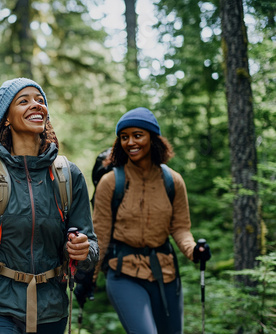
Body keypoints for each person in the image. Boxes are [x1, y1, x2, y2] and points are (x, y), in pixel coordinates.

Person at [0, 78, 98, 334]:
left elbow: (91, 248)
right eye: (23, 101)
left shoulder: (68, 176)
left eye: (40, 100)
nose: (36, 105)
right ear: (6, 119)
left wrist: (84, 250)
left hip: (52, 309)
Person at [92, 107, 212, 334]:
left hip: (165, 273)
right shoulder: (110, 182)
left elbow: (180, 227)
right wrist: (89, 276)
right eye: (124, 137)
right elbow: (101, 235)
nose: (130, 142)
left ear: (153, 138)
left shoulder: (173, 181)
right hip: (123, 273)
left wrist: (194, 250)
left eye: (138, 135)